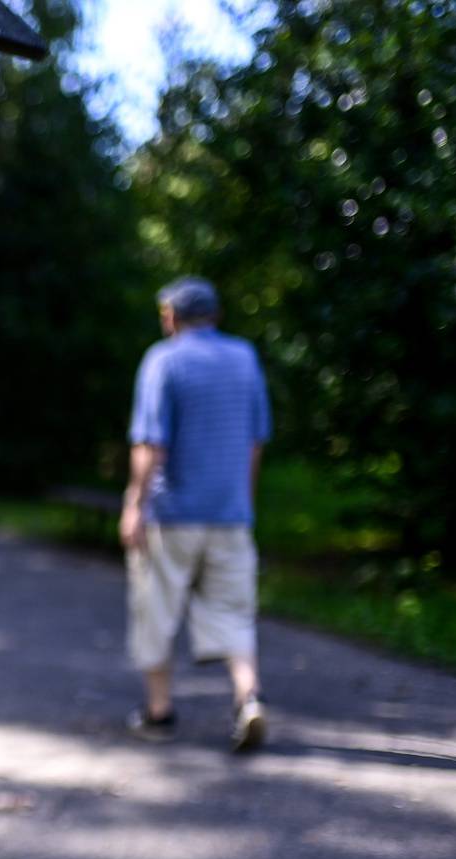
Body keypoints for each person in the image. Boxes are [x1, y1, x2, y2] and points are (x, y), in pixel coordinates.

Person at [120, 277, 271, 751]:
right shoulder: (245, 358)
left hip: (172, 514)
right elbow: (254, 443)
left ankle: (160, 713)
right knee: (234, 612)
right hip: (230, 513)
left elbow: (151, 443)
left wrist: (134, 504)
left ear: (170, 317)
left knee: (156, 611)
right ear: (216, 315)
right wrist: (243, 502)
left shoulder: (163, 360)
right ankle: (248, 699)